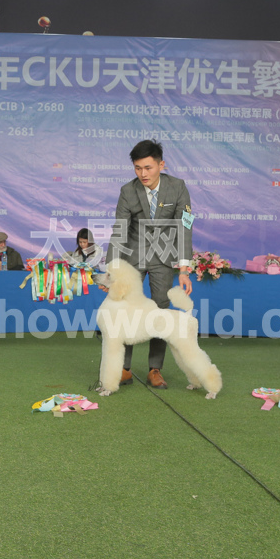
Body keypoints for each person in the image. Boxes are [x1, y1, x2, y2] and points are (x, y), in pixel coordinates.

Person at [106, 139, 194, 390]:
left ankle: (155, 369)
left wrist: (184, 270)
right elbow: (120, 231)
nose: (143, 174)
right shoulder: (128, 190)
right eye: (137, 168)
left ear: (161, 165)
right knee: (126, 310)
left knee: (161, 311)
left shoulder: (177, 187)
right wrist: (112, 272)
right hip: (133, 256)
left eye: (148, 167)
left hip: (163, 258)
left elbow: (185, 227)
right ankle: (124, 368)